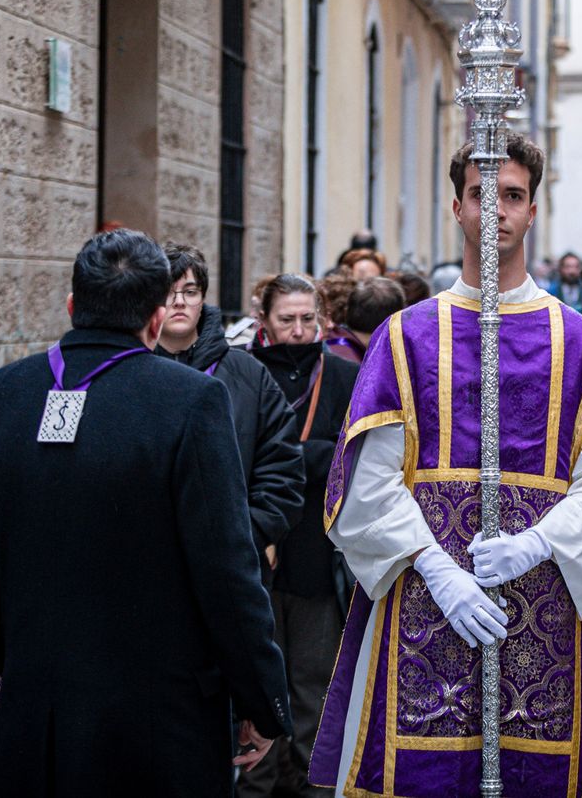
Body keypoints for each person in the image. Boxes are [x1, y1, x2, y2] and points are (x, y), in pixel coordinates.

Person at [310, 135, 582, 797]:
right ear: (456, 206)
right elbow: (368, 480)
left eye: (513, 195)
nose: (495, 210)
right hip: (422, 599)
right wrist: (438, 570)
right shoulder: (405, 338)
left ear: (533, 209)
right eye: (480, 194)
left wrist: (535, 544)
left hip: (545, 602)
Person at [0, 229, 292, 796]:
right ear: (155, 319)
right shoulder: (191, 400)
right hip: (161, 721)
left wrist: (21, 650)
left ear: (72, 306)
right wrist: (263, 700)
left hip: (38, 711)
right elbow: (226, 571)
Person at [242, 274, 364, 798]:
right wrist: (311, 454)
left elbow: (356, 453)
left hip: (317, 555)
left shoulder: (341, 375)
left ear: (323, 319)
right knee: (254, 693)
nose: (298, 331)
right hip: (256, 558)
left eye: (306, 319)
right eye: (286, 320)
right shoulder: (243, 373)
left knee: (314, 689)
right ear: (265, 320)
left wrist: (291, 456)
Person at [156, 242, 304, 579]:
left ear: (203, 298)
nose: (179, 302)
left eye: (190, 292)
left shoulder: (247, 373)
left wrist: (247, 535)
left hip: (233, 564)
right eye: (168, 291)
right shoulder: (132, 371)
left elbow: (282, 465)